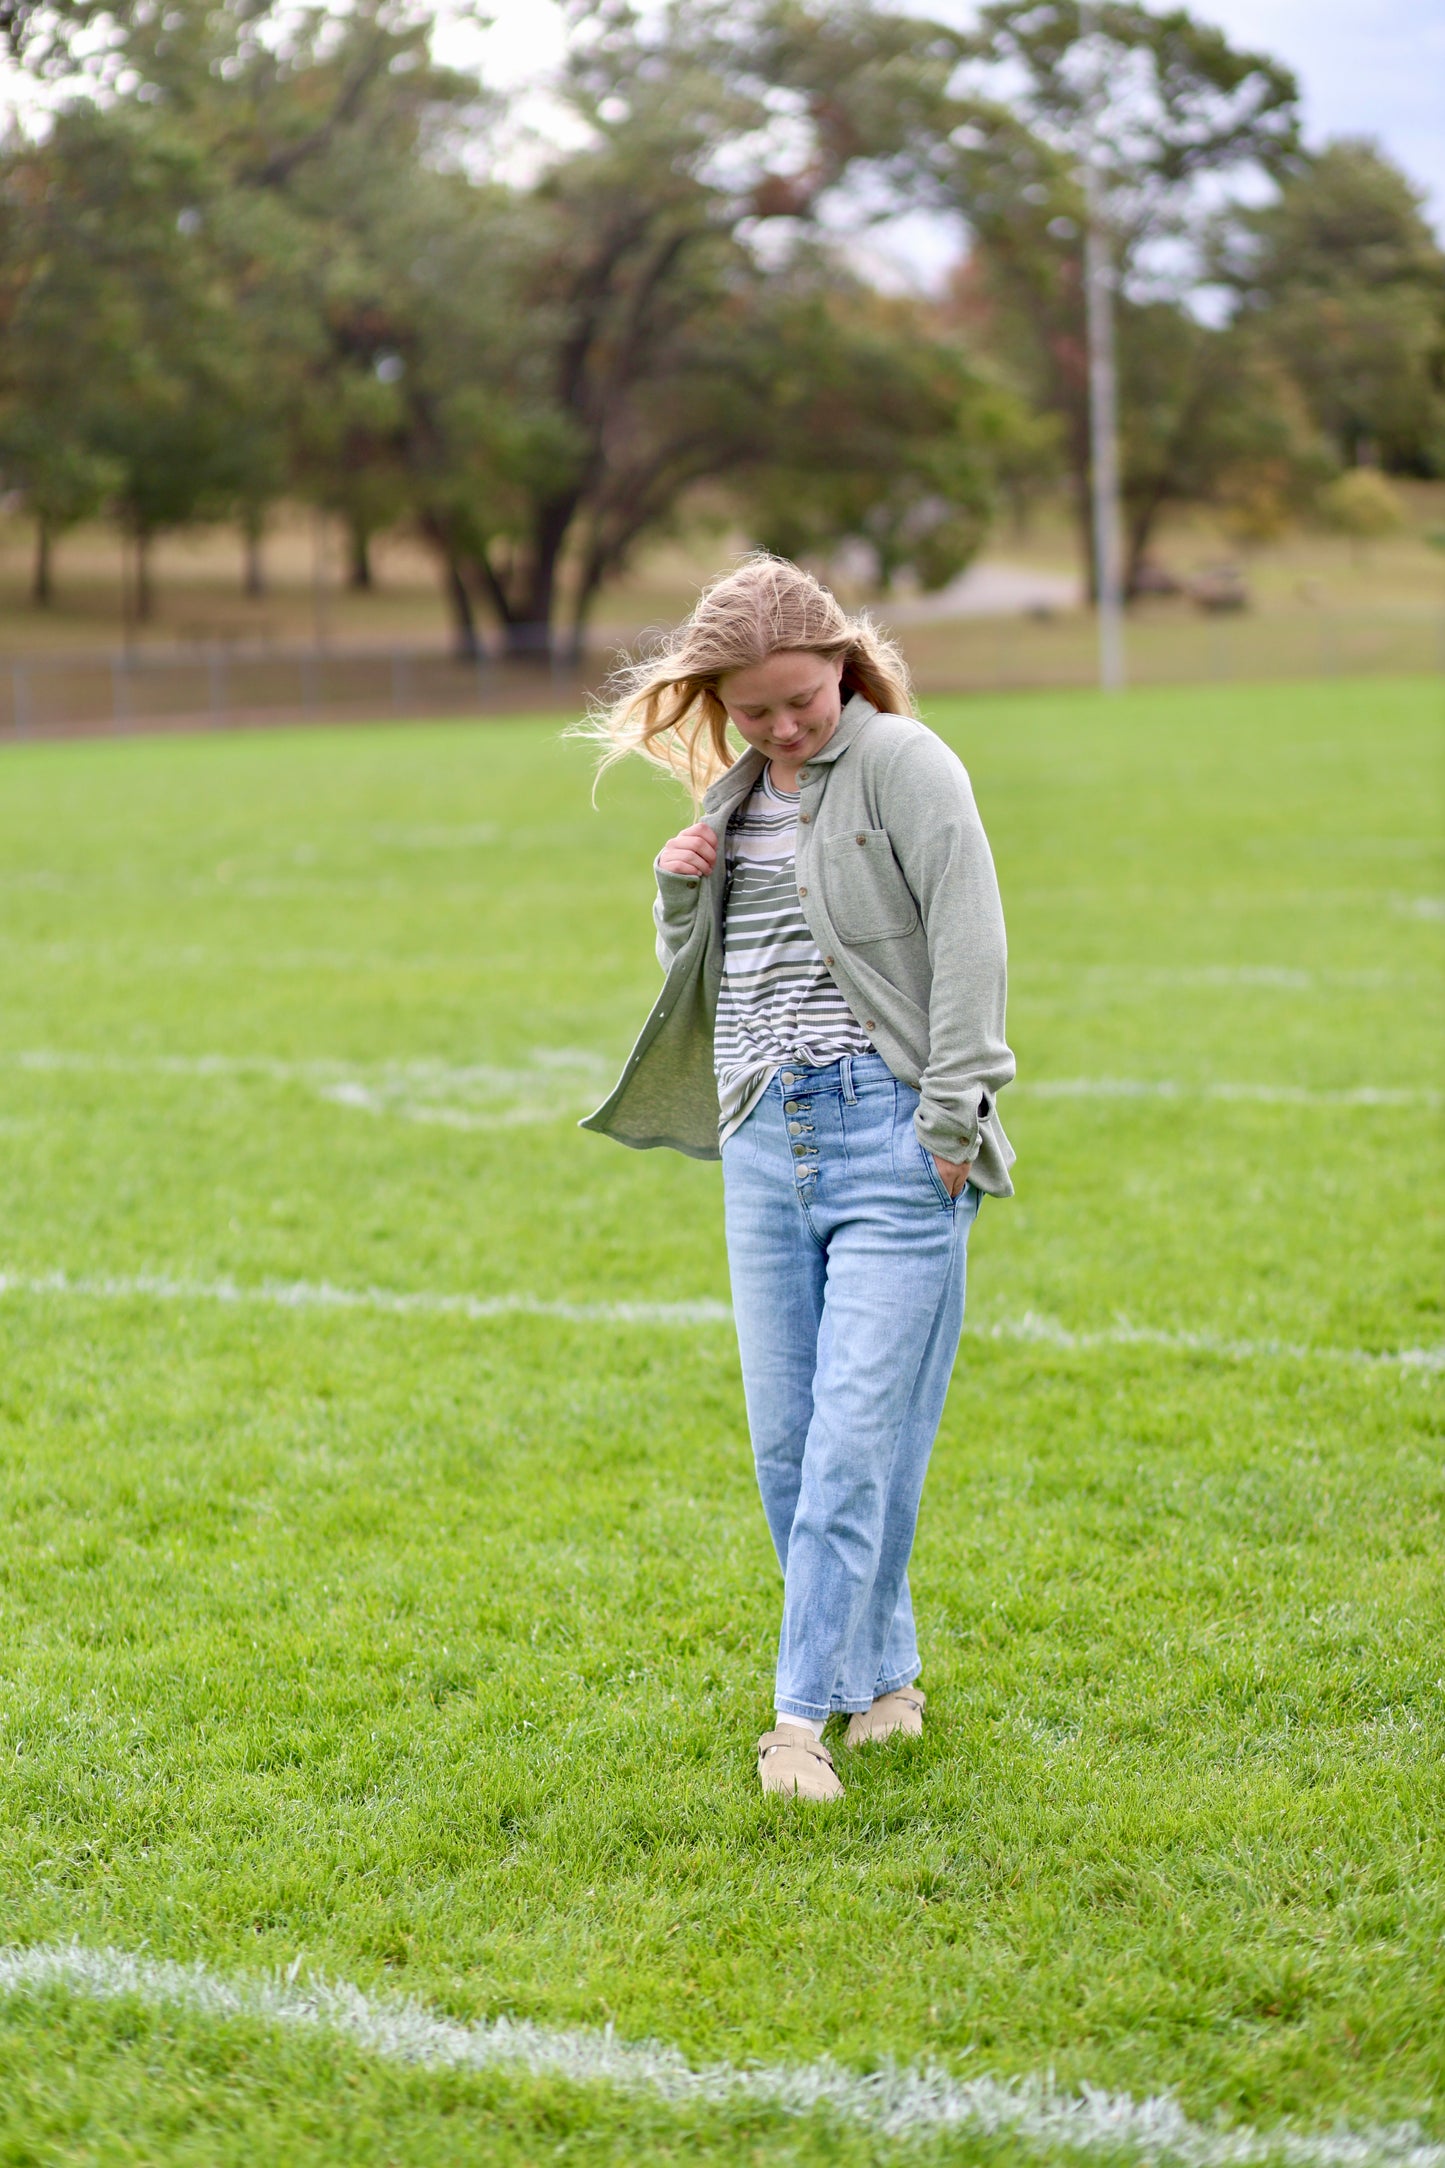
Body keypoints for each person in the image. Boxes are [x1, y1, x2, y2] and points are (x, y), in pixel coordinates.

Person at [580, 555, 1015, 1801]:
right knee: (789, 1448)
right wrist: (678, 896)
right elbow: (723, 985)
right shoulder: (735, 795)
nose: (780, 725)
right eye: (752, 708)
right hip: (766, 1143)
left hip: (892, 1139)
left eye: (800, 700)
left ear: (841, 662)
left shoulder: (904, 766)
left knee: (850, 1445)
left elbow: (969, 942)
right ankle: (883, 1679)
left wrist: (948, 1121)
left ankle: (795, 1725)